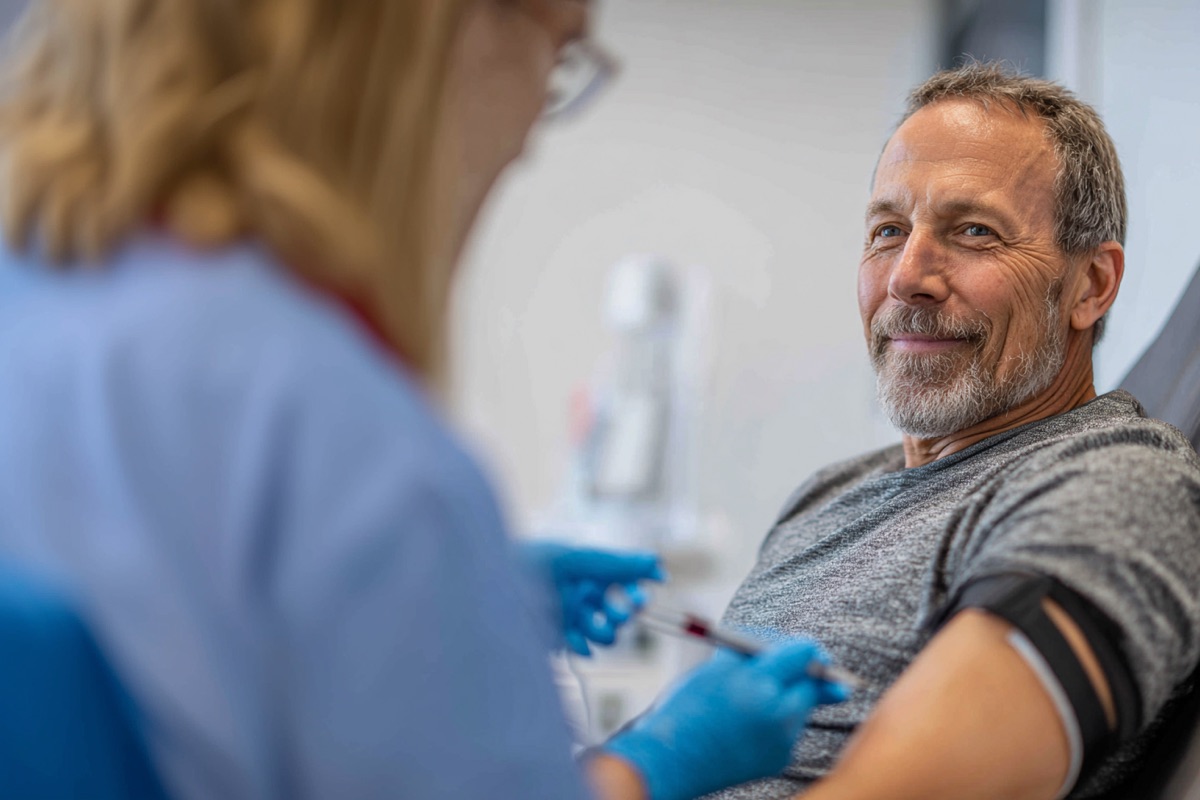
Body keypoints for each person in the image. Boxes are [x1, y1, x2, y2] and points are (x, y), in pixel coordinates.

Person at [0, 2, 845, 799]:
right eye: (557, 59)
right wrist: (656, 761)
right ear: (445, 29)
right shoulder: (349, 445)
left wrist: (458, 602)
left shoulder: (38, 306)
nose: (528, 142)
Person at [687, 63, 1200, 799]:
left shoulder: (1115, 481)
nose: (907, 276)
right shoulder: (829, 494)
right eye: (888, 230)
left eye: (974, 232)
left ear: (1091, 285)